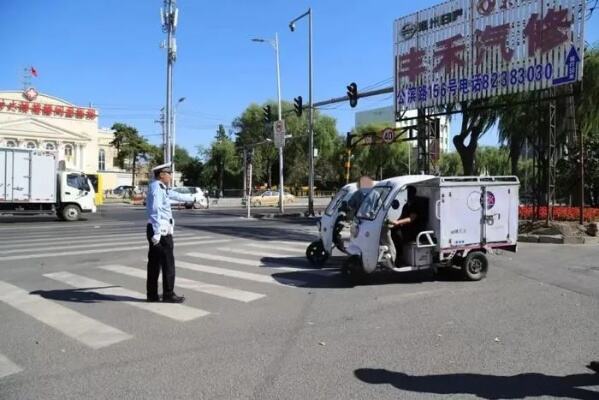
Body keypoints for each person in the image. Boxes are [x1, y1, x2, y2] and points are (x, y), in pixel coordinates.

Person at [146, 162, 195, 303]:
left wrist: (193, 198)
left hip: (157, 230)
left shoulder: (161, 187)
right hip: (160, 231)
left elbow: (175, 195)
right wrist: (157, 232)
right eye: (169, 173)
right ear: (161, 175)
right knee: (168, 263)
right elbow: (155, 211)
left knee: (154, 264)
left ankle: (152, 295)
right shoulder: (157, 188)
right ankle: (168, 294)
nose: (170, 176)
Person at [388, 186, 424, 263]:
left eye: (408, 193)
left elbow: (411, 219)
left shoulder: (415, 205)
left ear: (412, 194)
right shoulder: (406, 205)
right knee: (392, 231)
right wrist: (394, 222)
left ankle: (398, 257)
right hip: (406, 228)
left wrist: (398, 223)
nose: (407, 195)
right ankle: (394, 255)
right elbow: (401, 217)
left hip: (413, 230)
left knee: (397, 235)